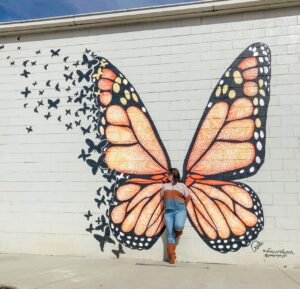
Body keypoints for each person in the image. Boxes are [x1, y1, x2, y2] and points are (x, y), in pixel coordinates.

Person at [161, 168, 191, 264]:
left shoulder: (182, 186)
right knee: (170, 233)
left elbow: (188, 197)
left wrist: (183, 206)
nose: (167, 176)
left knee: (179, 226)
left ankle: (177, 232)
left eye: (169, 175)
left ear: (174, 175)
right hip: (168, 212)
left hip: (180, 211)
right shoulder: (165, 186)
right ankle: (172, 256)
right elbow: (162, 197)